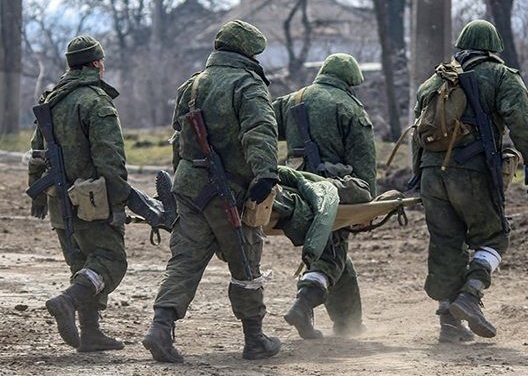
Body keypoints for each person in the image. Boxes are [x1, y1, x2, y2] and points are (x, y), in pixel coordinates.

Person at [142, 20, 281, 362]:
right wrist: (266, 173)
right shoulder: (248, 85)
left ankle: (161, 329)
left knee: (185, 261)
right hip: (229, 191)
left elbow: (179, 139)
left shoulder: (190, 86)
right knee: (245, 261)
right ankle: (254, 339)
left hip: (189, 188)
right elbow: (259, 130)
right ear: (249, 53)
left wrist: (180, 183)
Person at [412, 20, 528, 342]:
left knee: (446, 243)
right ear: (493, 46)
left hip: (431, 175)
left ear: (461, 45)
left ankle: (448, 322)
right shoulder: (500, 76)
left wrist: (418, 176)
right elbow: (521, 120)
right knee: (494, 237)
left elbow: (418, 131)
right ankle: (470, 295)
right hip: (471, 173)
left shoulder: (435, 80)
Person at [28, 35, 132, 352]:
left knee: (83, 264)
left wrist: (36, 195)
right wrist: (119, 200)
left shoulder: (51, 99)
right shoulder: (96, 102)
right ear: (98, 63)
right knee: (111, 261)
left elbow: (36, 151)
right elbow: (110, 159)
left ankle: (91, 333)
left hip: (57, 199)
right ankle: (67, 302)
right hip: (92, 201)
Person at [273, 53, 376, 339]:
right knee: (334, 248)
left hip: (294, 188)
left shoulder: (291, 101)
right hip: (332, 192)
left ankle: (348, 324)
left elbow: (262, 129)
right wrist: (369, 207)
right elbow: (365, 166)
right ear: (350, 81)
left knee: (333, 249)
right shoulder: (351, 109)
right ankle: (304, 301)